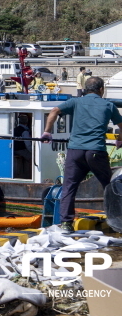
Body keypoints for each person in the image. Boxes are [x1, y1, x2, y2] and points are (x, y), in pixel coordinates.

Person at [41, 76, 122, 233]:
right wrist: (119, 139)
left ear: (85, 89)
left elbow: (54, 110)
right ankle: (117, 217)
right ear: (101, 90)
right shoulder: (108, 105)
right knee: (110, 186)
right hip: (96, 152)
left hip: (75, 152)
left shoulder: (76, 102)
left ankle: (66, 224)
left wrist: (47, 132)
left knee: (69, 187)